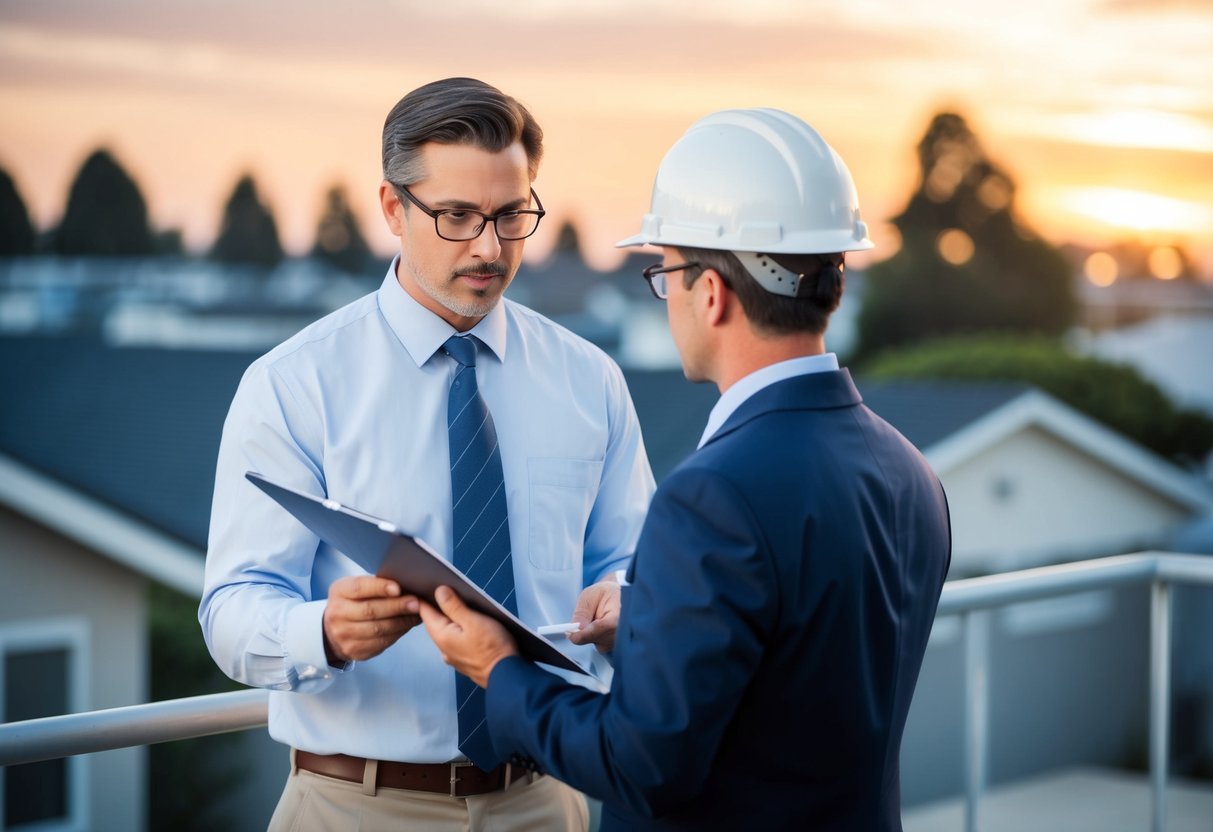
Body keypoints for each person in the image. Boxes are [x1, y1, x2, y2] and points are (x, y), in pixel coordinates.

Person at [420, 108, 953, 831]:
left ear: (710, 292)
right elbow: (800, 654)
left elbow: (639, 768)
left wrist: (499, 672)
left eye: (661, 270)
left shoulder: (713, 495)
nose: (663, 293)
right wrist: (648, 622)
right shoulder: (907, 470)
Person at [199, 77, 655, 831]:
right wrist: (321, 632)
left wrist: (624, 599)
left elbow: (632, 562)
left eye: (511, 215)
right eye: (455, 216)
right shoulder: (293, 385)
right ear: (390, 209)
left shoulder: (591, 380)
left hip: (547, 801)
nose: (488, 246)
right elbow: (230, 609)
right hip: (352, 808)